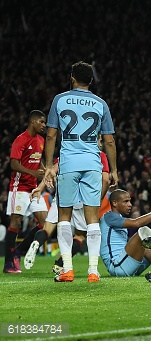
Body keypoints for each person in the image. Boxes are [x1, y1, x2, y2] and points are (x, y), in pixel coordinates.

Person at [43, 61, 119, 282]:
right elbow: (109, 141)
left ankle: (67, 269)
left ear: (72, 78)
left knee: (64, 217)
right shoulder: (101, 103)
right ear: (91, 81)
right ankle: (93, 271)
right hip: (93, 164)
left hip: (68, 164)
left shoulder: (60, 99)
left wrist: (49, 166)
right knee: (92, 218)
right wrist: (113, 170)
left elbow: (50, 135)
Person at [23, 135, 112, 272]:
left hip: (62, 195)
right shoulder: (99, 155)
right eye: (100, 140)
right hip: (83, 199)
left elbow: (53, 170)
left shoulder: (69, 152)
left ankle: (36, 242)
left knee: (48, 228)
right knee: (80, 235)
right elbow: (105, 180)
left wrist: (40, 188)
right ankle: (60, 264)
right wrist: (97, 200)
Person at [3, 110, 48, 274]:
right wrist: (32, 173)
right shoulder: (20, 140)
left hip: (34, 189)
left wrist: (44, 171)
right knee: (15, 223)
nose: (44, 125)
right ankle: (8, 263)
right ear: (33, 122)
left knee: (46, 223)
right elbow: (14, 164)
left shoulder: (41, 140)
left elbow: (38, 159)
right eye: (42, 122)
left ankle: (19, 251)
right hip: (19, 187)